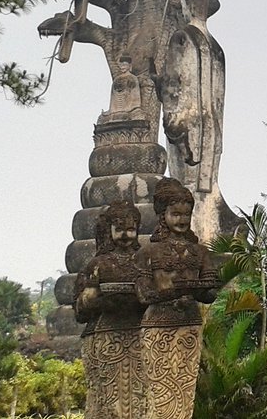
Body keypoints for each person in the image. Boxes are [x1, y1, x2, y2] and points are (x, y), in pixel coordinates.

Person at [134, 179, 218, 419]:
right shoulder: (148, 252)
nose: (182, 220)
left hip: (189, 326)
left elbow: (209, 294)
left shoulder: (200, 252)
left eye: (186, 214)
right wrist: (173, 293)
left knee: (184, 392)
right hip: (157, 326)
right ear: (163, 215)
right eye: (176, 214)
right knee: (159, 393)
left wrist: (201, 290)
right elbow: (143, 294)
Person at [75, 201, 146, 419]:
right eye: (119, 229)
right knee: (106, 399)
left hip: (140, 335)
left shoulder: (145, 261)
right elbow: (80, 310)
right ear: (109, 230)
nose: (125, 235)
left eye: (131, 229)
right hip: (104, 335)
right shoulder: (97, 265)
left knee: (140, 397)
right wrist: (92, 297)